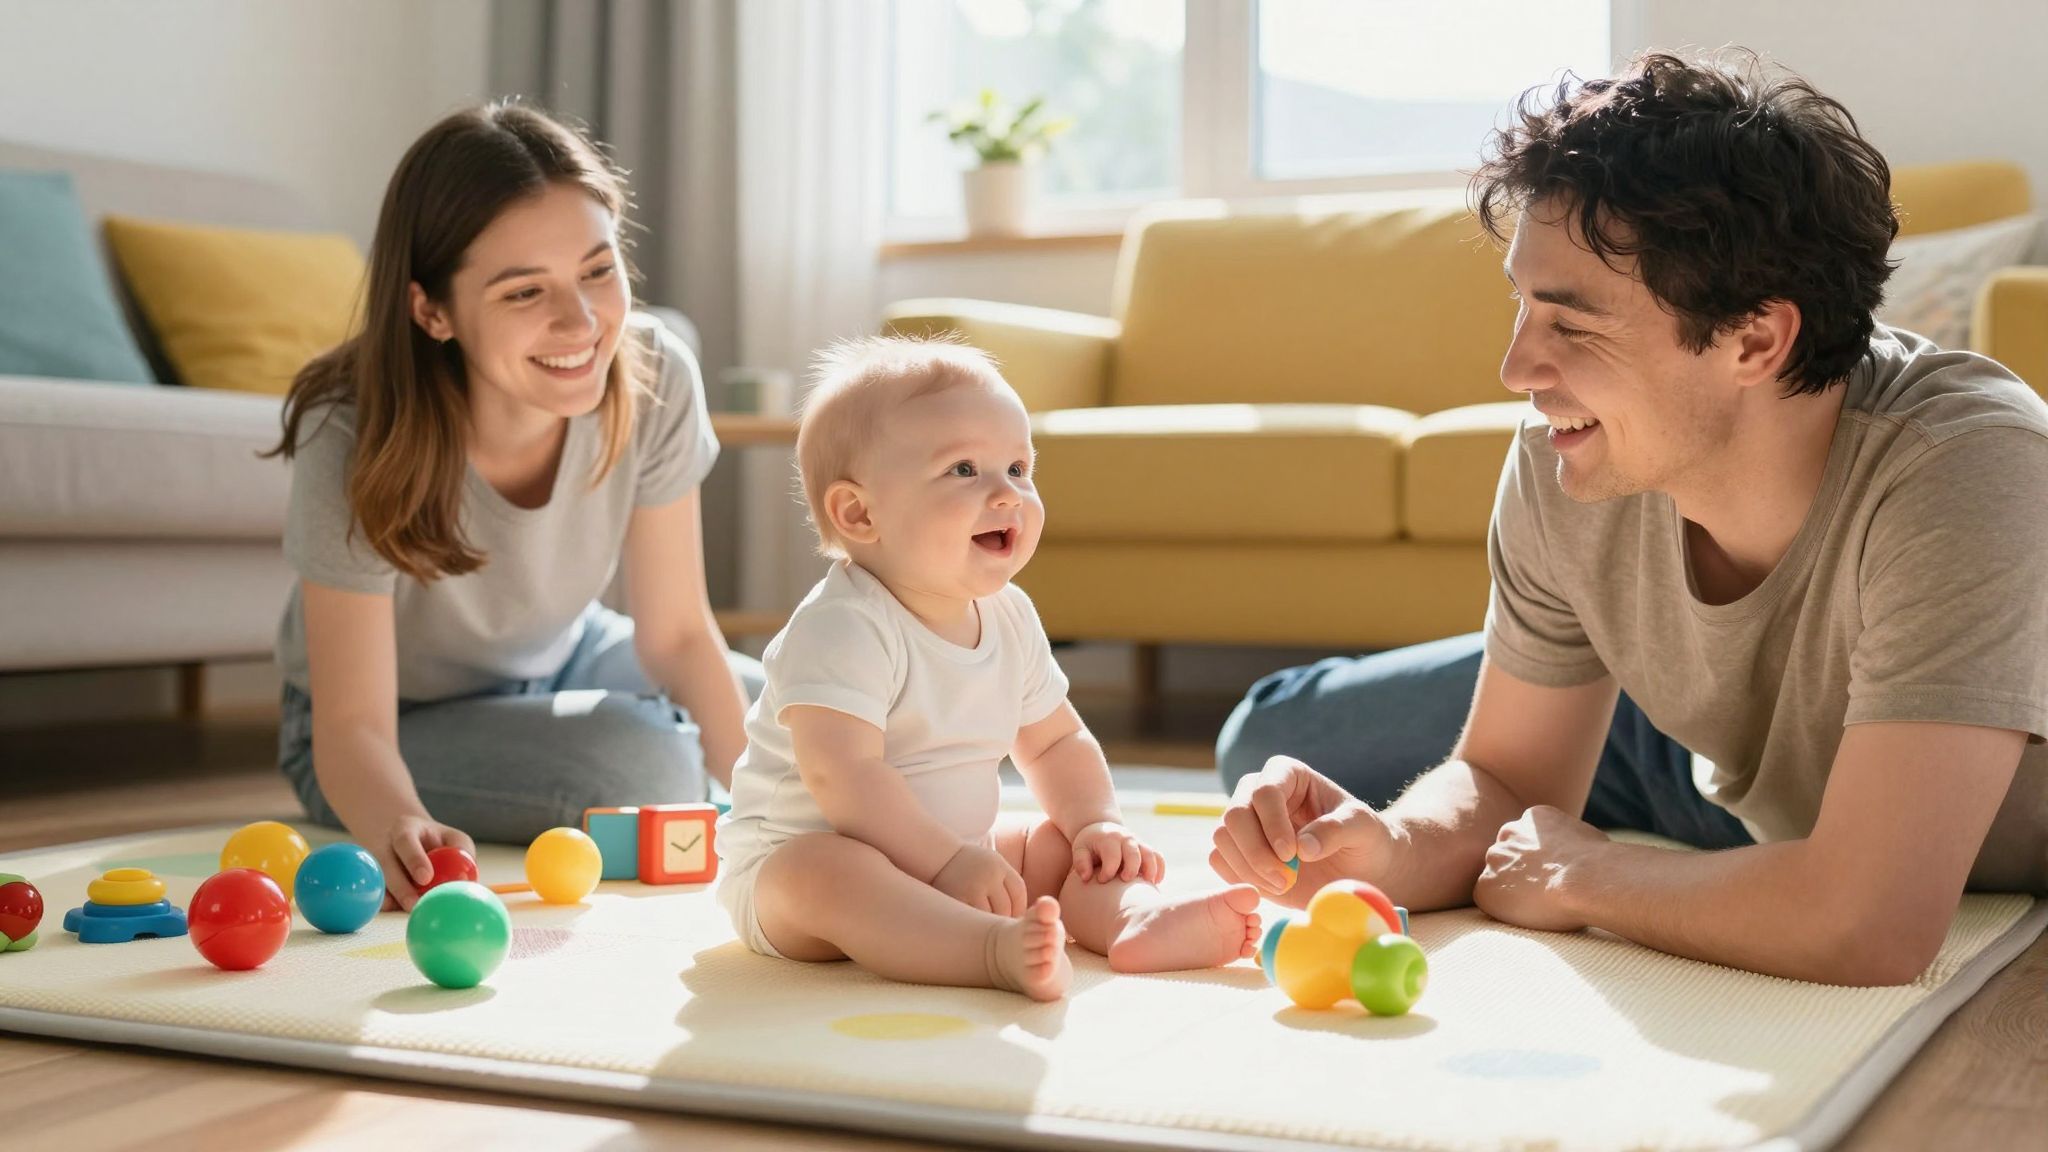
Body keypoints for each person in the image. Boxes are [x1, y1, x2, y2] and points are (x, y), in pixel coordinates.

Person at [1211, 50, 2048, 986]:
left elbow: (1870, 923)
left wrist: (1592, 874)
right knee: (1268, 741)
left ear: (1755, 339)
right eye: (1522, 308)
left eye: (1570, 324)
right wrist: (1388, 847)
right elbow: (1511, 785)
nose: (1517, 371)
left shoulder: (1967, 466)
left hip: (1937, 789)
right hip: (1715, 762)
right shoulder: (1572, 449)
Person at [268, 103, 756, 910]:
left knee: (789, 710)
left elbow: (674, 632)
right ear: (431, 310)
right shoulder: (353, 425)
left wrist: (783, 816)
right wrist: (399, 822)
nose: (581, 322)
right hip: (393, 718)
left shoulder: (657, 376)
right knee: (650, 765)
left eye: (598, 271)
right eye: (525, 291)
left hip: (565, 653)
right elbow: (352, 723)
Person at [716, 337, 1262, 1001]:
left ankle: (1132, 918)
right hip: (796, 867)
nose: (1007, 494)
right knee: (827, 872)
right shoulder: (843, 625)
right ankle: (985, 950)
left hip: (961, 853)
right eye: (964, 471)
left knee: (1059, 847)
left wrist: (1097, 823)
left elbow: (1056, 741)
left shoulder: (1009, 615)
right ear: (860, 513)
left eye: (1019, 469)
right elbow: (844, 777)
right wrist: (946, 862)